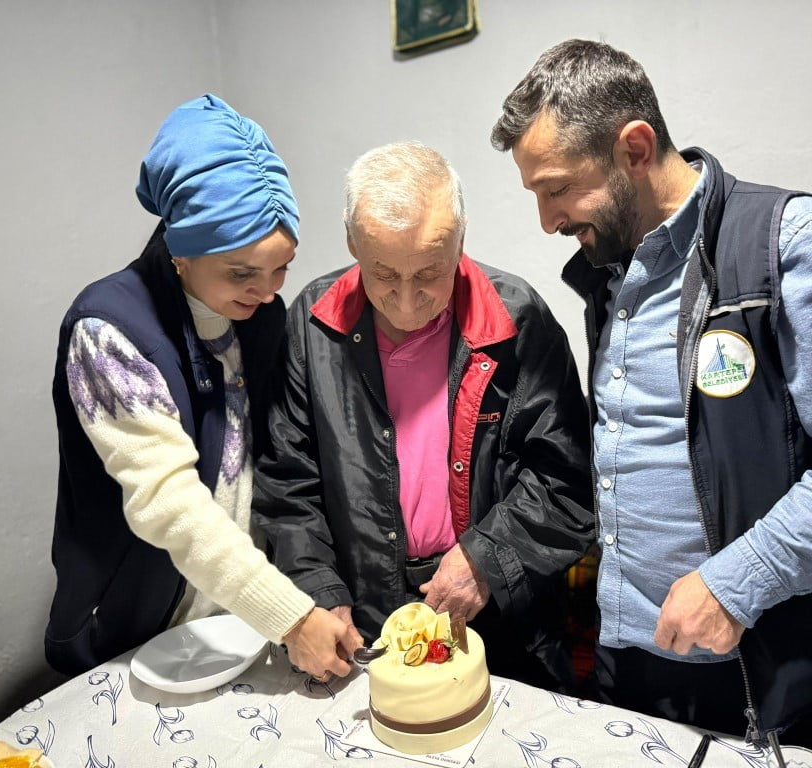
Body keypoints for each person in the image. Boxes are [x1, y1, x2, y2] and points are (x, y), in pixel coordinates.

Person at [491, 40, 812, 750]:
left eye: (558, 188)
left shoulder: (795, 244)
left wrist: (734, 584)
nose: (548, 220)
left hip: (763, 666)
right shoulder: (611, 269)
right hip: (628, 655)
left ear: (635, 147)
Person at [252, 141, 595, 692]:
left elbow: (566, 478)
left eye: (430, 274)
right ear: (352, 245)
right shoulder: (312, 325)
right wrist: (315, 589)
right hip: (359, 614)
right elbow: (287, 485)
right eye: (384, 273)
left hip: (501, 617)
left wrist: (486, 559)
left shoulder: (518, 320)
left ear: (462, 241)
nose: (407, 302)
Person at [45, 94, 356, 682]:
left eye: (282, 267)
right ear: (181, 251)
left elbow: (282, 465)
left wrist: (306, 585)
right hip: (134, 627)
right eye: (242, 272)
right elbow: (171, 504)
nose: (267, 292)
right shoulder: (108, 332)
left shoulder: (259, 317)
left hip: (241, 618)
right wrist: (291, 617)